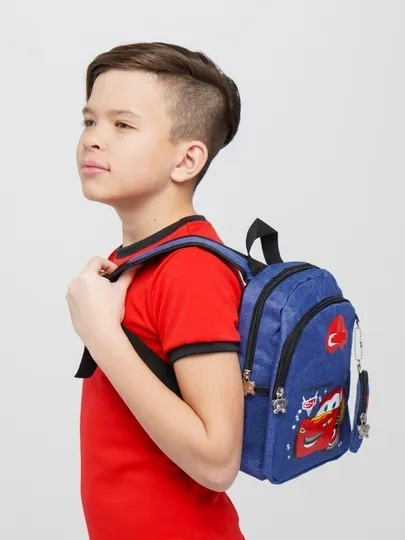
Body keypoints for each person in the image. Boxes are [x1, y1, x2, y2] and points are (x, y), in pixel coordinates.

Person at [67, 41, 246, 539]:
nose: (93, 139)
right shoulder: (138, 259)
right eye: (89, 121)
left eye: (122, 125)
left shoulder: (191, 268)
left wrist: (102, 335)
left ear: (187, 160)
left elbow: (217, 461)